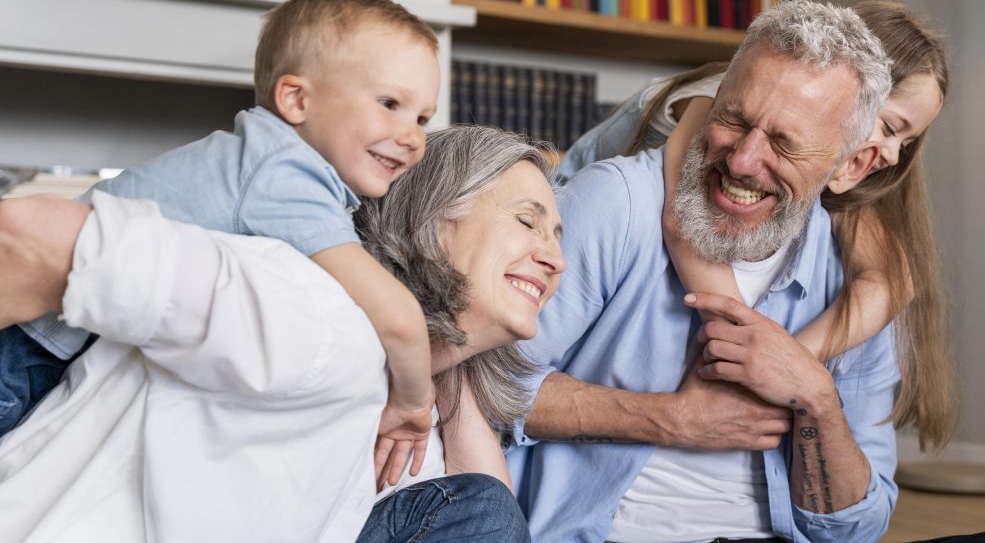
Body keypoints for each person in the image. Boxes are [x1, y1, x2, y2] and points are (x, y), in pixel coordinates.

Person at [0, 125, 565, 542]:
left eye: (558, 235)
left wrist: (440, 360)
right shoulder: (299, 302)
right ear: (435, 219)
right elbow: (29, 234)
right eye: (527, 220)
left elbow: (488, 514)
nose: (556, 259)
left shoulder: (411, 417)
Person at [0, 0, 440, 473]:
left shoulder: (260, 160)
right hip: (26, 346)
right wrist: (415, 406)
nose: (413, 137)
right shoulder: (285, 175)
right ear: (295, 99)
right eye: (390, 103)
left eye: (423, 117)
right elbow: (397, 316)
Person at [506, 0, 899, 542]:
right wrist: (670, 419)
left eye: (784, 144)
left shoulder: (851, 286)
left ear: (850, 166)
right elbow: (480, 381)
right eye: (733, 118)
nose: (740, 161)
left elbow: (856, 528)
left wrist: (817, 399)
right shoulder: (616, 202)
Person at [557, 0, 955, 451]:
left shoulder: (837, 170)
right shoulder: (721, 100)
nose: (892, 153)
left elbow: (892, 280)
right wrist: (741, 361)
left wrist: (789, 362)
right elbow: (682, 221)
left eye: (908, 139)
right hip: (559, 218)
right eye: (888, 126)